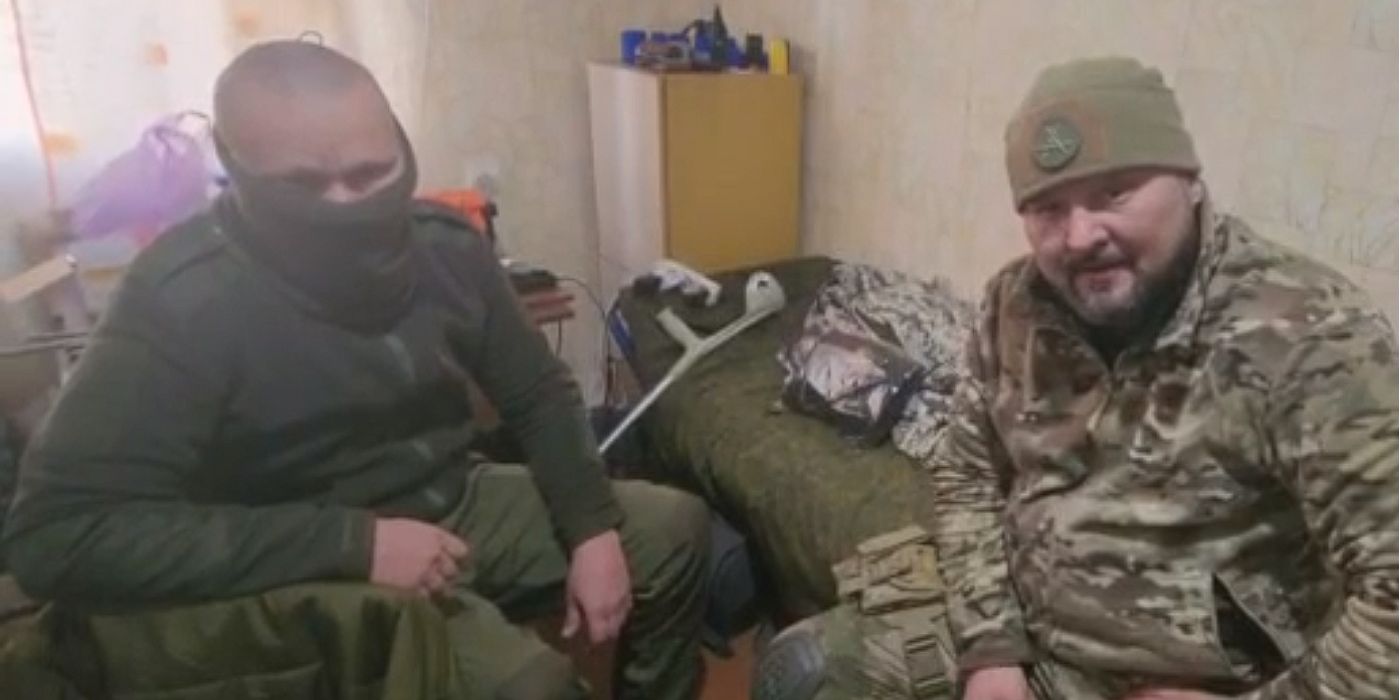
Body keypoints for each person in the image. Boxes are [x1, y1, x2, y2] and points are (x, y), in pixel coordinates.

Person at [3, 40, 709, 700]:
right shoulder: (181, 297)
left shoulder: (445, 246)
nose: (346, 204)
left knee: (671, 530)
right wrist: (353, 544)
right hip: (297, 555)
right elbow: (55, 536)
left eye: (369, 174)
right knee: (526, 682)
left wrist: (590, 529)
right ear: (234, 165)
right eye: (304, 184)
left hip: (449, 504)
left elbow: (538, 392)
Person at [753, 56, 1398, 700]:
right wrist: (990, 649)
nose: (1081, 235)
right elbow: (968, 476)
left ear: (1190, 181)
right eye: (1048, 208)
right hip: (1030, 640)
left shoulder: (1308, 333)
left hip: (1217, 682)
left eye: (1115, 193)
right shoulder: (1013, 306)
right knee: (800, 676)